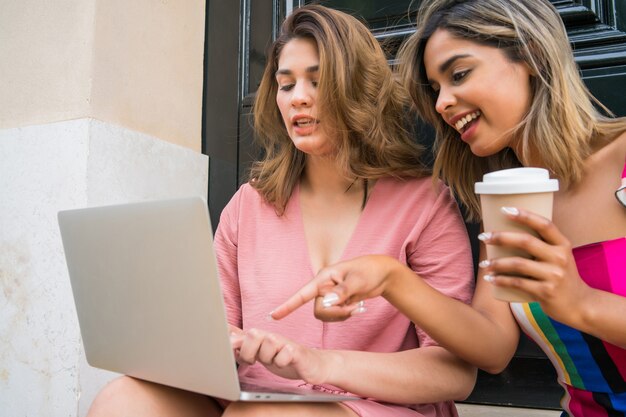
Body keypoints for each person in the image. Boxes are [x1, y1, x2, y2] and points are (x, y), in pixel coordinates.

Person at [85, 5, 476, 417]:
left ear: (360, 87)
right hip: (252, 398)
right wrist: (217, 343)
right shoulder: (248, 205)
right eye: (286, 85)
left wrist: (319, 362)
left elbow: (452, 372)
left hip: (371, 407)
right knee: (122, 401)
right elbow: (218, 335)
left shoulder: (425, 203)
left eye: (318, 80)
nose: (299, 97)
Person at [270, 1, 626, 416]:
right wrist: (392, 278)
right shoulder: (505, 200)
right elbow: (492, 347)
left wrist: (581, 302)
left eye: (459, 75)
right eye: (436, 89)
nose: (442, 103)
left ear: (529, 54)